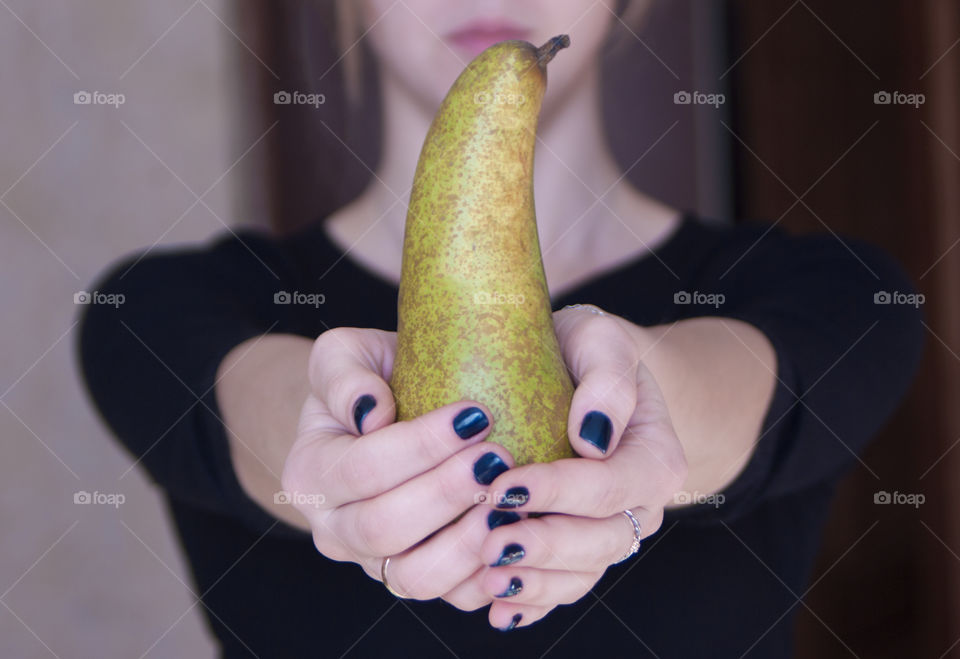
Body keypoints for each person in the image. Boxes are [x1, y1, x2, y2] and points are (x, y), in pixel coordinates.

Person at [78, 1, 924, 656]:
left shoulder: (833, 293)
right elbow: (249, 407)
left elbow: (748, 392)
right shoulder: (164, 307)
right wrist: (331, 447)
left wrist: (639, 394)